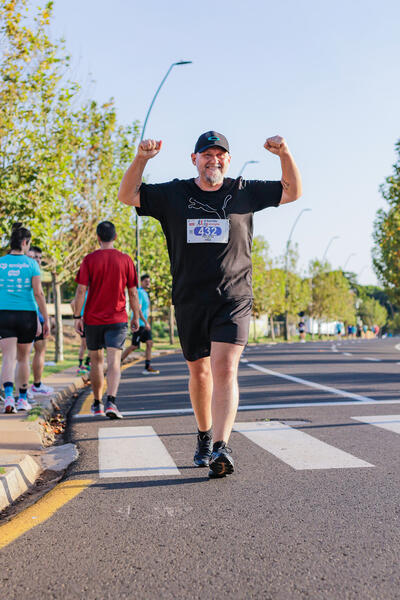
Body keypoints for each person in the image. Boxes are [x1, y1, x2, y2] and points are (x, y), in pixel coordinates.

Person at [118, 130, 302, 477]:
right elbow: (127, 195)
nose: (213, 161)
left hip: (234, 298)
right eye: (206, 155)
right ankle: (204, 435)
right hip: (190, 299)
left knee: (224, 367)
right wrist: (141, 159)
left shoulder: (244, 191)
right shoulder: (174, 193)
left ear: (228, 161)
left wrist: (285, 155)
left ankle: (221, 446)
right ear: (194, 160)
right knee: (200, 372)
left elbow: (292, 192)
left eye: (220, 155)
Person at [73, 221, 140, 419]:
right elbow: (133, 293)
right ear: (116, 237)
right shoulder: (126, 260)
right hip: (117, 318)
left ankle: (97, 402)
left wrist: (77, 316)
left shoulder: (89, 260)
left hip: (93, 318)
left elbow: (80, 290)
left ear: (98, 237)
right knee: (114, 362)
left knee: (96, 361)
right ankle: (112, 401)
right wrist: (136, 315)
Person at [0, 224, 50, 413]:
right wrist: (44, 319)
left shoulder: (1, 262)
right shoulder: (31, 264)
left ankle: (8, 399)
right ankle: (22, 399)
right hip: (26, 315)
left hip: (3, 314)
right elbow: (38, 294)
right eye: (28, 244)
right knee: (23, 359)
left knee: (8, 358)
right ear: (24, 242)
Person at [26, 246, 54, 397]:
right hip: (28, 316)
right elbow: (37, 294)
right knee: (22, 355)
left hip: (37, 316)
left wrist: (45, 317)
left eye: (39, 257)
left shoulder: (38, 272)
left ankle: (36, 384)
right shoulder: (27, 271)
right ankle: (20, 390)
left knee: (40, 349)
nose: (37, 260)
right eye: (33, 257)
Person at [121, 273, 160, 374]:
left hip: (144, 324)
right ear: (141, 282)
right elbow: (138, 308)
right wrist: (146, 322)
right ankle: (117, 363)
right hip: (140, 324)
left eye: (149, 281)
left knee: (149, 343)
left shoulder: (145, 293)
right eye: (146, 281)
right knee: (134, 346)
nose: (148, 283)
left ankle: (147, 366)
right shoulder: (139, 292)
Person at [71, 291, 90, 375]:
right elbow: (72, 303)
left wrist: (76, 315)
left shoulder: (83, 293)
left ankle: (83, 363)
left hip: (84, 319)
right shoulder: (88, 294)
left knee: (84, 344)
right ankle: (85, 363)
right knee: (88, 343)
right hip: (86, 320)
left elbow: (72, 303)